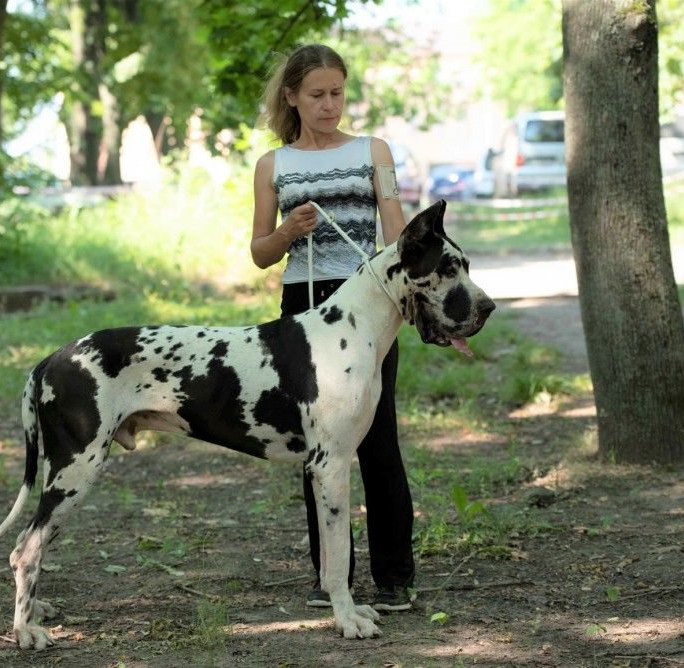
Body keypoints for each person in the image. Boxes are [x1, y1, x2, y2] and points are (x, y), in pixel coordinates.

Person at [249, 43, 416, 612]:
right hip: (302, 307)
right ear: (292, 97)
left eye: (337, 93)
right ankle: (330, 577)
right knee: (316, 444)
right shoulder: (273, 166)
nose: (329, 105)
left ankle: (394, 576)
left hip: (367, 305)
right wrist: (286, 233)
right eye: (317, 95)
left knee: (379, 439)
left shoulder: (375, 151)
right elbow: (260, 253)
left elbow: (397, 238)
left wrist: (409, 298)